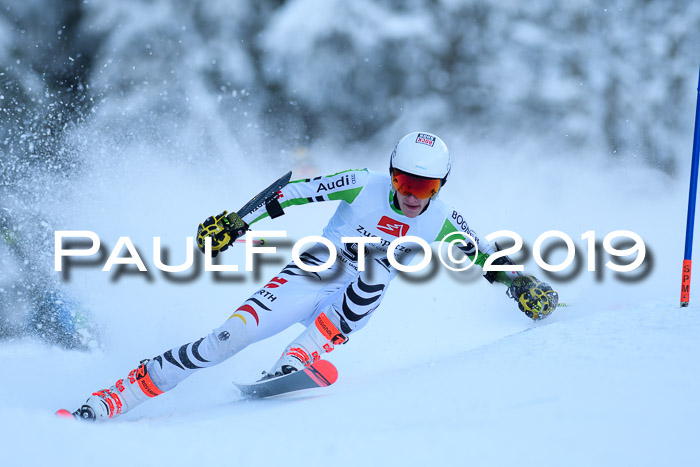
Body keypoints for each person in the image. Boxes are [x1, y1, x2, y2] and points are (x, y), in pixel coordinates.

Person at [65, 131, 558, 421]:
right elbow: (298, 191)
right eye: (404, 180)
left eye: (424, 185)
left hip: (361, 291)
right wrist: (239, 221)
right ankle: (117, 395)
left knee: (377, 266)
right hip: (313, 270)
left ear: (440, 186)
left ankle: (301, 353)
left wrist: (523, 286)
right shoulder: (364, 184)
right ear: (391, 174)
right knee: (225, 339)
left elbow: (481, 256)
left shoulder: (440, 220)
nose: (411, 193)